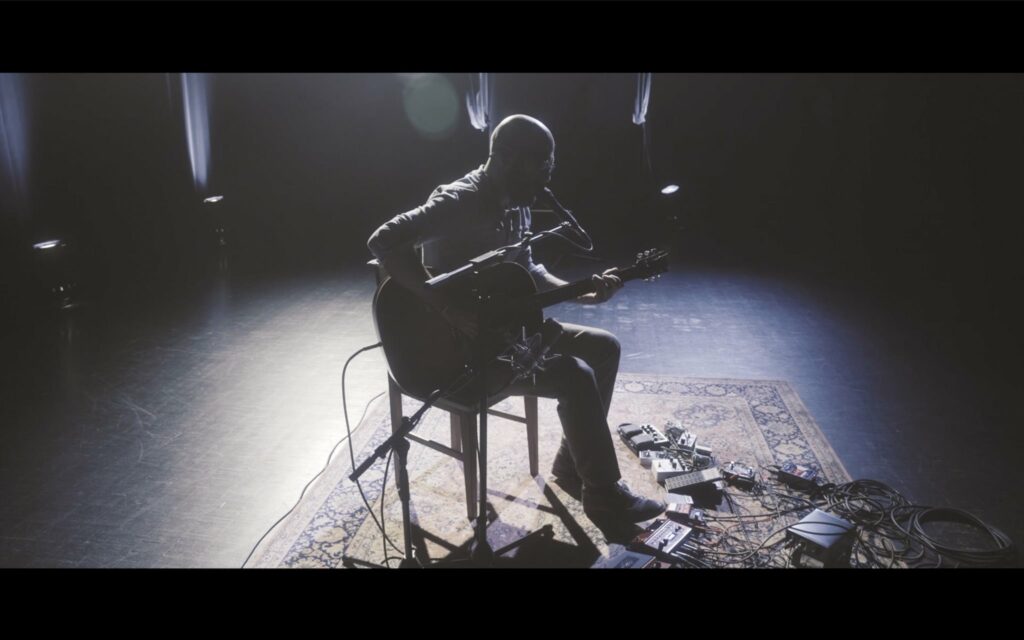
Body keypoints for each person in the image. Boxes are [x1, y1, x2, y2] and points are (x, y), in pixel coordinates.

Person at [367, 114, 664, 525]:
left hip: (502, 335)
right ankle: (603, 495)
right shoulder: (460, 200)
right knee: (574, 374)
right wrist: (447, 308)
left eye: (550, 166)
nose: (547, 177)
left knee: (603, 347)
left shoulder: (517, 204)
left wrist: (582, 291)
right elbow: (382, 241)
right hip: (458, 352)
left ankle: (573, 468)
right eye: (540, 165)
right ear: (506, 159)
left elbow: (528, 269)